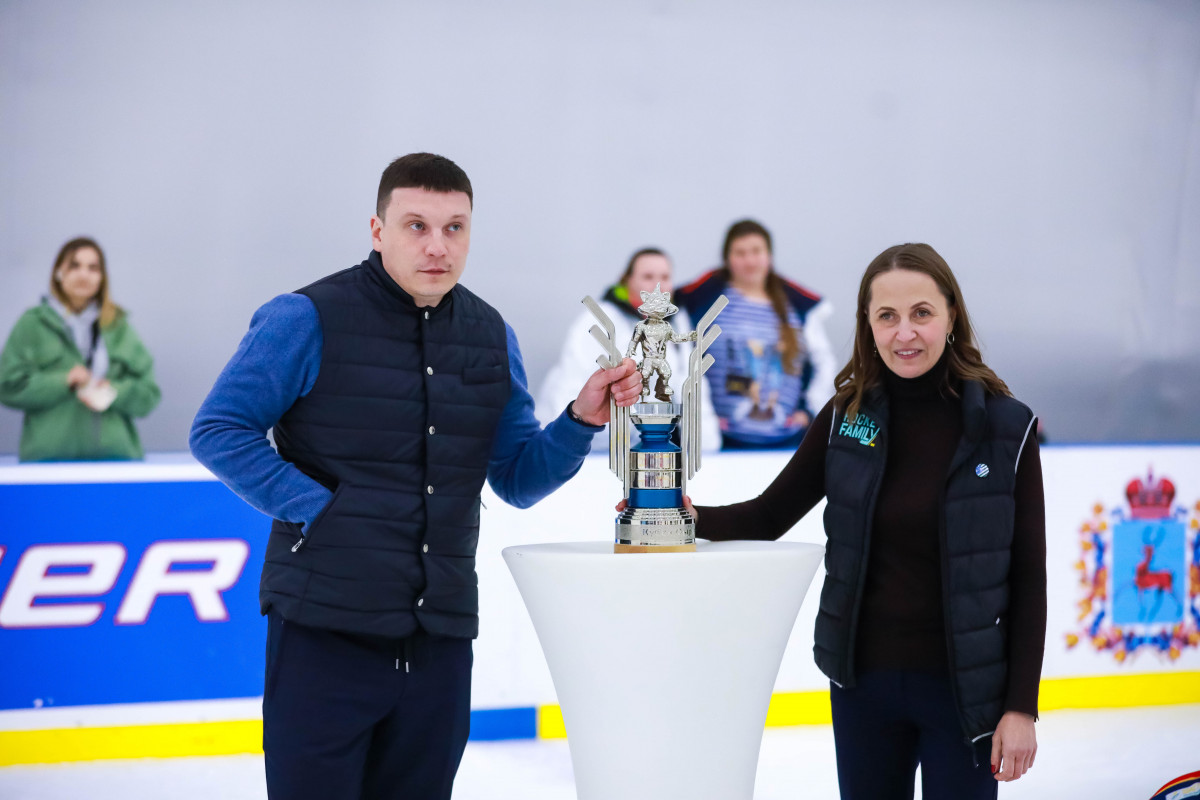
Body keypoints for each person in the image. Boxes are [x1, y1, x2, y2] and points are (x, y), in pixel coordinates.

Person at [189, 153, 640, 800]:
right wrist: (320, 508)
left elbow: (515, 477)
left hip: (439, 644)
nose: (437, 246)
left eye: (455, 228)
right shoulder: (305, 317)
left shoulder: (489, 335)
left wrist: (579, 421)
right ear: (378, 230)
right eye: (416, 225)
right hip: (325, 634)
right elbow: (219, 429)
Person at [682, 243, 1045, 798]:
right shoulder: (846, 418)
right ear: (868, 326)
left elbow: (1028, 578)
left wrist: (1021, 707)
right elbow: (770, 514)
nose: (905, 333)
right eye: (887, 316)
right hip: (862, 688)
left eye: (921, 313)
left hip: (965, 693)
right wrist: (680, 514)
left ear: (951, 316)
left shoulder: (1008, 428)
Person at [536, 248, 719, 450]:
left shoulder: (677, 322)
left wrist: (704, 443)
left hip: (645, 449)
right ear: (627, 280)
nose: (658, 285)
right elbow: (570, 386)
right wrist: (575, 439)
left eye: (665, 277)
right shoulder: (600, 321)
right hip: (593, 449)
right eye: (648, 276)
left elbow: (692, 384)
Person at [674, 219, 835, 450]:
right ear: (727, 258)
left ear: (769, 255)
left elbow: (824, 362)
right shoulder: (705, 301)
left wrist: (810, 412)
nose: (749, 260)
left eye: (756, 251)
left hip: (788, 444)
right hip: (724, 445)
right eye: (740, 253)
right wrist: (702, 422)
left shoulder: (796, 307)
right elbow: (681, 359)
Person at [0, 237, 160, 461]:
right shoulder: (32, 324)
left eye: (93, 268)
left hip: (116, 462)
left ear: (102, 277)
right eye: (74, 265)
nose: (84, 275)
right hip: (47, 464)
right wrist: (63, 380)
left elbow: (149, 395)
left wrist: (113, 391)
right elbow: (7, 387)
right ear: (58, 272)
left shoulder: (118, 326)